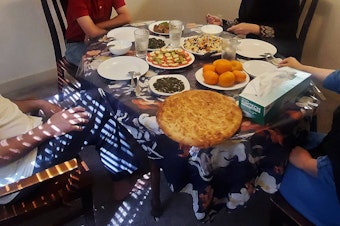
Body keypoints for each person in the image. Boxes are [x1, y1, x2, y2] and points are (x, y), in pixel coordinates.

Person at [0, 87, 147, 204]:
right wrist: (49, 129)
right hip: (22, 170)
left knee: (97, 111)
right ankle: (128, 173)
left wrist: (40, 103)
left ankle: (122, 179)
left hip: (35, 133)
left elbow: (4, 106)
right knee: (99, 99)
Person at [277, 57, 340, 225]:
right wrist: (302, 67)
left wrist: (305, 163)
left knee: (274, 162)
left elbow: (335, 171)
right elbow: (338, 79)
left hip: (333, 188)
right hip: (330, 152)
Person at [206, 0, 301, 58]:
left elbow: (289, 30)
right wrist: (223, 23)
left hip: (281, 45)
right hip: (254, 44)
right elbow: (245, 20)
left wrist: (257, 29)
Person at [65, 0, 131, 66]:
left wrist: (97, 26)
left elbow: (126, 17)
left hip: (101, 41)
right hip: (78, 44)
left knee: (126, 58)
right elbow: (93, 33)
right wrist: (95, 30)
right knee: (106, 66)